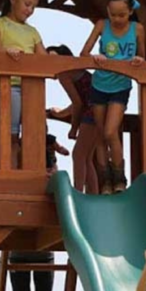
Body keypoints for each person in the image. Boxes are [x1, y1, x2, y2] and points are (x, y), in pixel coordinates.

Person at [6, 133, 69, 291]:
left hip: (43, 252)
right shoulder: (20, 167)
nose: (52, 167)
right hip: (20, 249)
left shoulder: (51, 180)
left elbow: (59, 179)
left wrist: (54, 169)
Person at [80, 0, 145, 194]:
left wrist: (139, 60)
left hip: (121, 85)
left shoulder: (137, 29)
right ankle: (105, 180)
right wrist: (95, 58)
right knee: (100, 134)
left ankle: (119, 178)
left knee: (110, 131)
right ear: (107, 11)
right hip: (100, 85)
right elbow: (84, 53)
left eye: (122, 15)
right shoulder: (101, 25)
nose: (117, 19)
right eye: (113, 14)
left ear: (130, 12)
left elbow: (143, 56)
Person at [0, 0, 47, 169]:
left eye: (33, 7)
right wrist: (7, 51)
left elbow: (43, 57)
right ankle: (11, 171)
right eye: (27, 4)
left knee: (33, 132)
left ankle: (31, 171)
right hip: (8, 86)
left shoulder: (33, 32)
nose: (30, 10)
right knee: (11, 134)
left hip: (31, 87)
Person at [47, 44, 99, 194]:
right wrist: (60, 113)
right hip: (104, 110)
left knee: (78, 154)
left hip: (92, 112)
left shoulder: (64, 74)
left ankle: (77, 193)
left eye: (55, 59)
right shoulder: (78, 71)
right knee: (87, 157)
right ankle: (93, 194)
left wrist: (74, 128)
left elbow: (78, 103)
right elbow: (81, 99)